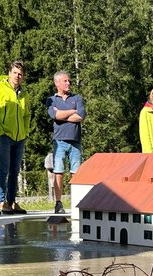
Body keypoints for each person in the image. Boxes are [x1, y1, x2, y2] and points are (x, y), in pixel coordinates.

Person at [0, 61, 30, 214]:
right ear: (9, 73)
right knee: (3, 168)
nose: (17, 76)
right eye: (14, 72)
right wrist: (0, 130)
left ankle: (12, 201)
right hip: (3, 135)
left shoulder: (24, 93)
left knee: (15, 170)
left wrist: (25, 132)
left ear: (23, 77)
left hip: (20, 137)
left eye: (20, 74)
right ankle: (1, 202)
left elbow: (27, 114)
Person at [47, 71, 85, 214]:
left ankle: (76, 202)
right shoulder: (51, 100)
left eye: (68, 81)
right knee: (59, 172)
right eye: (65, 81)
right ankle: (58, 203)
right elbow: (54, 115)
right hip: (59, 141)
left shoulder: (77, 98)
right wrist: (72, 111)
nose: (68, 83)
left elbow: (80, 116)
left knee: (76, 173)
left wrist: (62, 115)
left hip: (75, 141)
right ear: (57, 83)